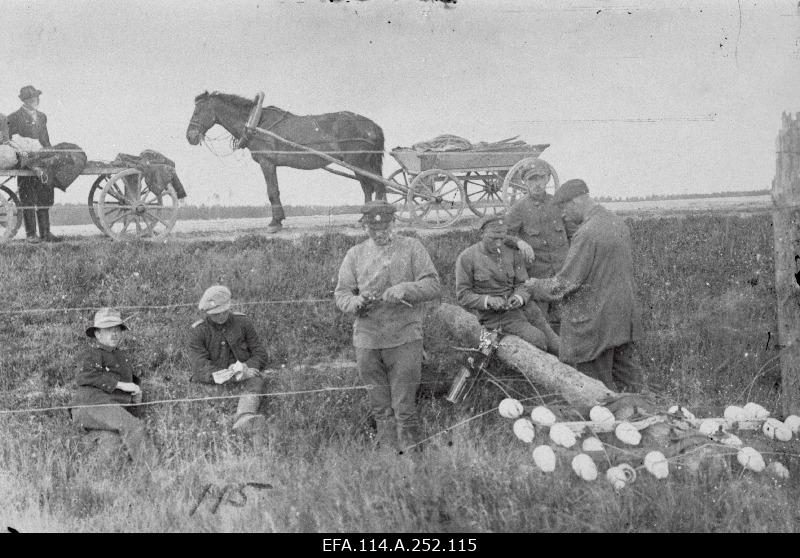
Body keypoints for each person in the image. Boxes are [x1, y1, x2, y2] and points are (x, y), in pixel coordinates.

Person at [334, 201, 442, 452]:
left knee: (404, 408)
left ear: (394, 223)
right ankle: (390, 459)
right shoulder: (355, 254)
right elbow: (341, 294)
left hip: (404, 337)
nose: (380, 233)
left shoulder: (412, 247)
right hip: (368, 340)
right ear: (365, 227)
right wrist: (355, 302)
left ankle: (413, 460)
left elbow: (433, 285)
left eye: (385, 227)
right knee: (380, 408)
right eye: (373, 228)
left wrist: (405, 289)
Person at [525, 179, 644, 392]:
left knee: (596, 389)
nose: (562, 214)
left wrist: (533, 286)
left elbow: (564, 284)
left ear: (577, 200)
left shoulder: (587, 233)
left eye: (563, 207)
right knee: (630, 381)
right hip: (624, 315)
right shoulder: (616, 222)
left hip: (598, 321)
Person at [455, 215, 559, 353]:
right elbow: (463, 295)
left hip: (527, 309)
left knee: (557, 344)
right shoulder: (467, 258)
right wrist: (489, 300)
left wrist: (519, 297)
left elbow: (523, 284)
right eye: (493, 238)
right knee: (537, 339)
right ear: (481, 234)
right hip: (497, 317)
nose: (499, 243)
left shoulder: (512, 253)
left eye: (502, 238)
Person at [71, 308, 156, 465]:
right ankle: (155, 473)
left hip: (106, 410)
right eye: (109, 330)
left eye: (117, 329)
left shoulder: (122, 357)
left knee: (112, 443)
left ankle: (103, 482)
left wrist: (135, 399)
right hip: (91, 406)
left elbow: (126, 394)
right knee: (134, 427)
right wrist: (122, 385)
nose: (114, 334)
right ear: (97, 334)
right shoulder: (92, 353)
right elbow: (84, 376)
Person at [186, 285, 271, 433]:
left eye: (224, 312)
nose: (220, 316)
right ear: (207, 312)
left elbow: (260, 353)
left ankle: (245, 417)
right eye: (215, 314)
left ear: (229, 306)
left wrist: (247, 367)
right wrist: (235, 375)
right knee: (205, 387)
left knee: (256, 380)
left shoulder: (243, 322)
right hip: (216, 379)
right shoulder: (199, 331)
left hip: (246, 375)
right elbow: (200, 367)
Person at [505, 159, 569, 335]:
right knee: (542, 325)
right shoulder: (518, 209)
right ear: (525, 182)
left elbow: (573, 234)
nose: (537, 184)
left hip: (563, 273)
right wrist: (519, 242)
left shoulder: (559, 204)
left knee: (569, 322)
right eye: (532, 179)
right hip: (538, 277)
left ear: (548, 179)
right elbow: (503, 235)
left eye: (540, 178)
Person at [6, 85, 58, 243]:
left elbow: (45, 140)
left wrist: (49, 152)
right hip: (25, 161)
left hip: (42, 159)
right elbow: (9, 141)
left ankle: (46, 233)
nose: (34, 101)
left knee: (45, 194)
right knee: (27, 197)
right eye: (30, 99)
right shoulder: (14, 117)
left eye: (36, 98)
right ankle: (31, 234)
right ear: (24, 101)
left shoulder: (42, 117)